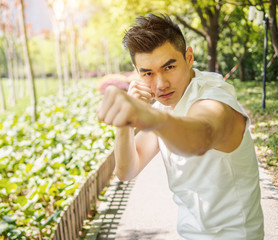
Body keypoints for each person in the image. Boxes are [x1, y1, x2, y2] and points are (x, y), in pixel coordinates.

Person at [97, 13, 264, 239]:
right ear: (138, 74)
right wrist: (124, 123)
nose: (161, 84)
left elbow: (201, 135)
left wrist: (149, 117)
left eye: (169, 67)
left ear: (189, 57)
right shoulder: (163, 107)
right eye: (148, 73)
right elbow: (126, 171)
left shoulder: (215, 97)